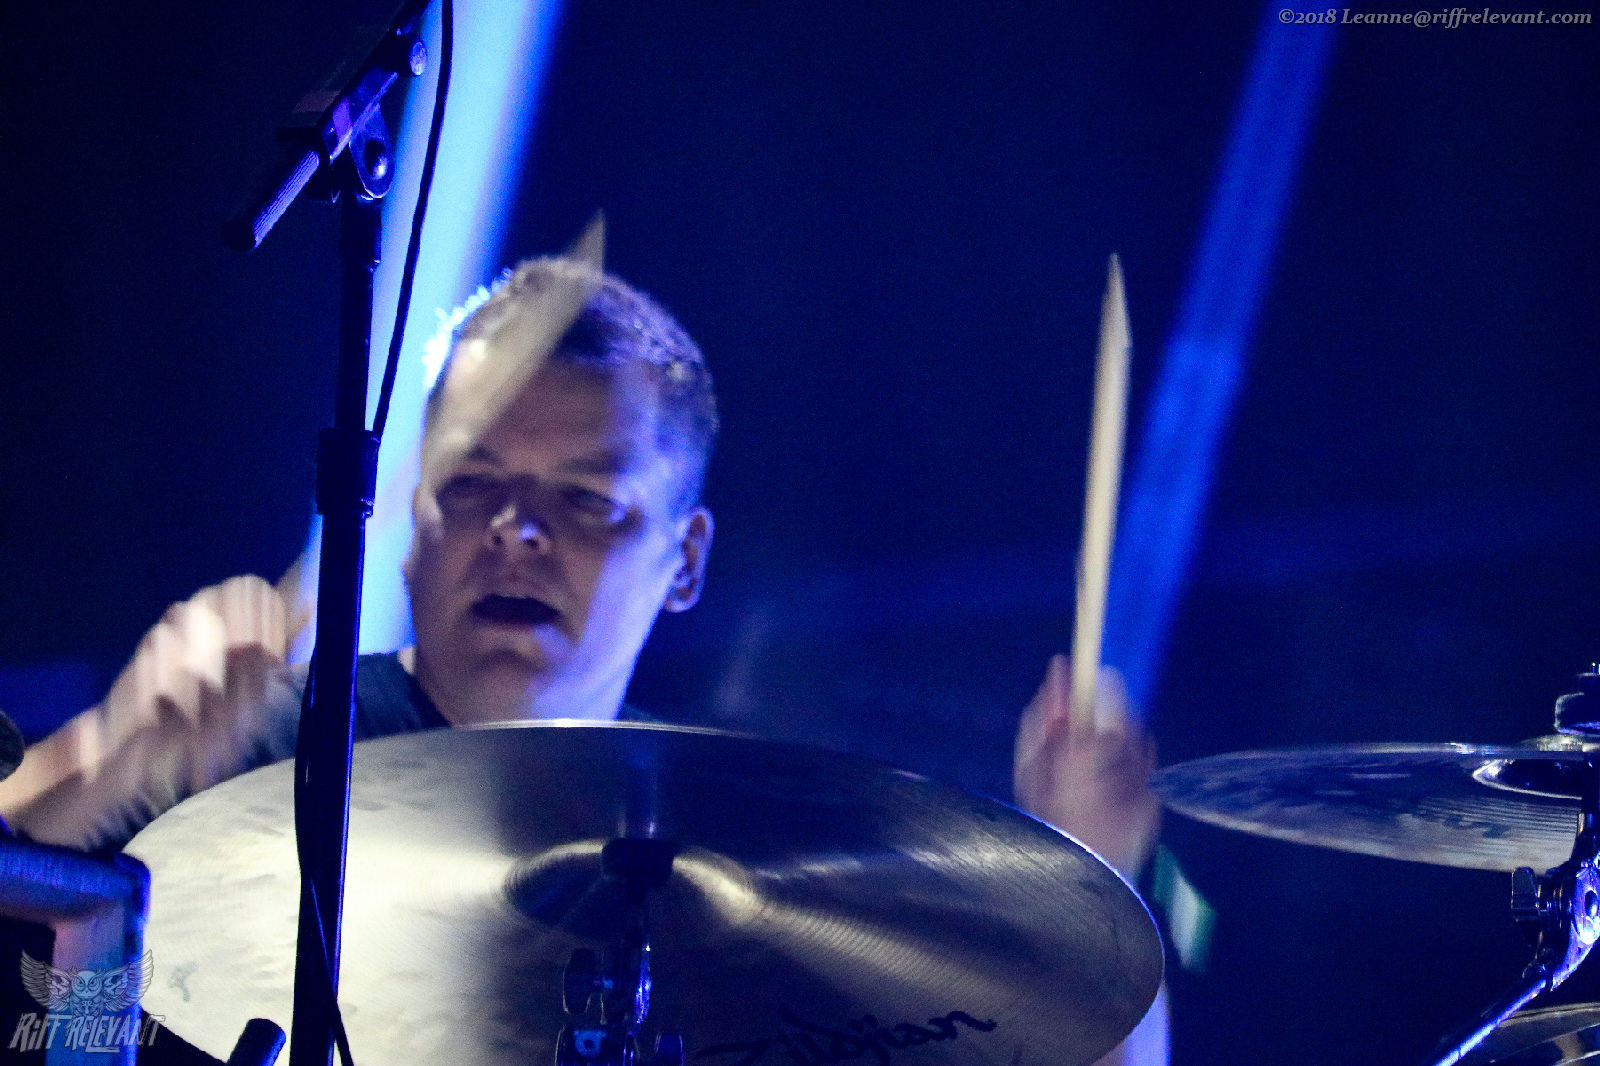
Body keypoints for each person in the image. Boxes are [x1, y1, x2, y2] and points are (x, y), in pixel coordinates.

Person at [0, 242, 1162, 1064]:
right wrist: (101, 762)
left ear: (686, 559)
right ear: (412, 523)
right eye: (474, 485)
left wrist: (1100, 886)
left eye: (584, 500)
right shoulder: (250, 743)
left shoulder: (756, 849)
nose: (516, 531)